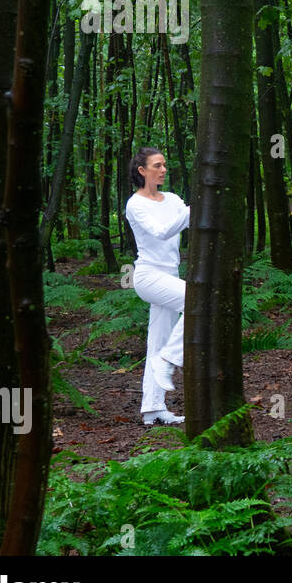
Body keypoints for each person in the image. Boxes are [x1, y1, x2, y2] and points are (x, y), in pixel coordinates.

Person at [125, 147, 190, 425]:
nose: (163, 170)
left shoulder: (173, 199)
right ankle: (168, 361)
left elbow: (189, 220)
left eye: (164, 165)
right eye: (157, 165)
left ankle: (152, 408)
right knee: (197, 301)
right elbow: (162, 232)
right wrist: (193, 210)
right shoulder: (135, 204)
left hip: (171, 275)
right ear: (142, 171)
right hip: (149, 277)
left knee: (158, 341)